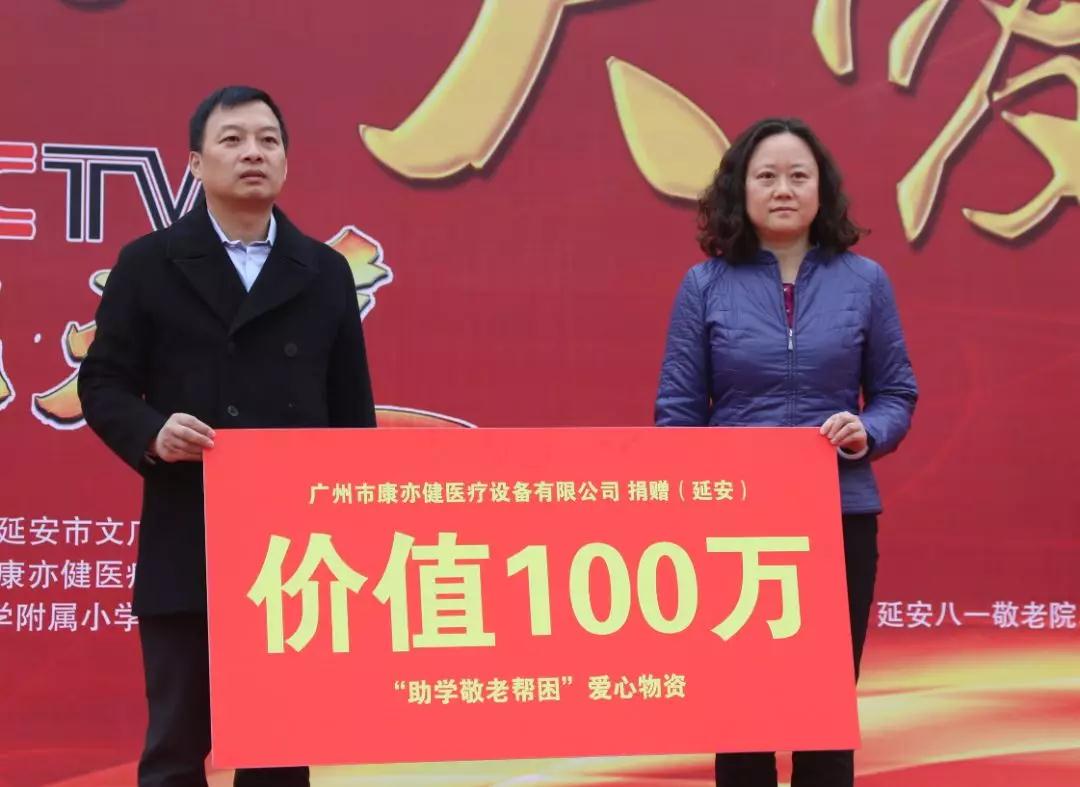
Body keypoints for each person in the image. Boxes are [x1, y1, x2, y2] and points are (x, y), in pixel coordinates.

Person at [78, 85, 377, 787]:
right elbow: (104, 383)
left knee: (280, 758)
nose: (253, 153)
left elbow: (351, 417)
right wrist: (154, 432)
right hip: (190, 533)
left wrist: (354, 533)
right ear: (195, 162)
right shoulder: (149, 263)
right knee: (175, 752)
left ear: (286, 161)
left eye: (269, 140)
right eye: (233, 139)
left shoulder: (324, 272)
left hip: (296, 552)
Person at [654, 117, 917, 787]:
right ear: (738, 190)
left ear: (822, 190)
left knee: (823, 712)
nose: (783, 189)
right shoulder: (704, 285)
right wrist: (690, 507)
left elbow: (895, 394)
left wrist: (867, 430)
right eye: (766, 176)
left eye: (799, 176)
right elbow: (678, 413)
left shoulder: (865, 281)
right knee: (742, 712)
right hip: (732, 527)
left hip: (838, 515)